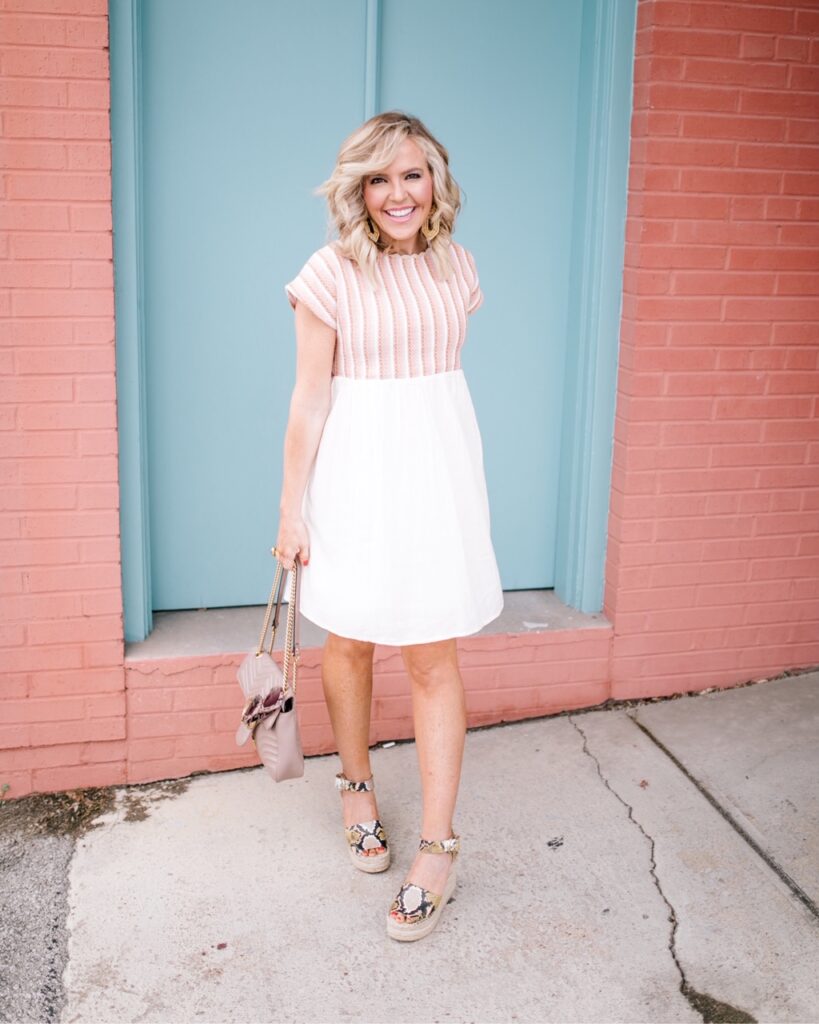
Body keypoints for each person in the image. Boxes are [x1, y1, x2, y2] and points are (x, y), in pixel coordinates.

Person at [274, 110, 504, 942]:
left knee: (434, 658)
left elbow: (435, 389)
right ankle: (355, 787)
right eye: (378, 179)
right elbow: (310, 398)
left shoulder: (457, 266)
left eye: (411, 174)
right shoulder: (328, 273)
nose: (397, 194)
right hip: (353, 481)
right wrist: (290, 509)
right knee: (350, 642)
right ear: (357, 190)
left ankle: (437, 849)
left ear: (434, 180)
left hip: (438, 481)